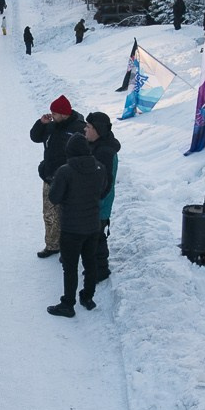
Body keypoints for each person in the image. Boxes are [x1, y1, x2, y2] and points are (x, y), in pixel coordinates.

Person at [47, 132, 108, 317]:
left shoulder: (65, 171)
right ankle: (88, 297)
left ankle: (68, 304)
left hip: (71, 228)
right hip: (92, 226)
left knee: (70, 267)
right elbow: (103, 191)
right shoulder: (100, 167)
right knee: (90, 262)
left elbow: (54, 197)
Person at [30, 96, 82, 259]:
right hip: (50, 177)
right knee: (49, 214)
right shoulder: (51, 126)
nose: (51, 114)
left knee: (67, 215)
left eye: (55, 112)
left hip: (68, 180)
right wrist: (41, 124)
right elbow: (35, 137)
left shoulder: (78, 128)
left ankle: (68, 248)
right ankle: (52, 245)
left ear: (64, 113)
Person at [87, 111, 120, 284]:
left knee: (97, 237)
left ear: (98, 130)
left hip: (100, 203)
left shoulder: (105, 152)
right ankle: (95, 267)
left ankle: (101, 270)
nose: (85, 129)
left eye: (89, 127)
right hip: (96, 202)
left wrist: (95, 201)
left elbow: (104, 183)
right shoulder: (97, 144)